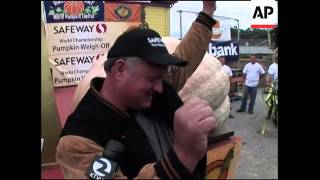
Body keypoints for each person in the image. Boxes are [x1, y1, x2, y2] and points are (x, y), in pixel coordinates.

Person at [56, 1, 219, 179]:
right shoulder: (81, 139)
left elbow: (187, 55)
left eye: (162, 78)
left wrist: (207, 11)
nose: (161, 87)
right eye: (152, 79)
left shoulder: (154, 88)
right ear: (120, 69)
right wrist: (183, 155)